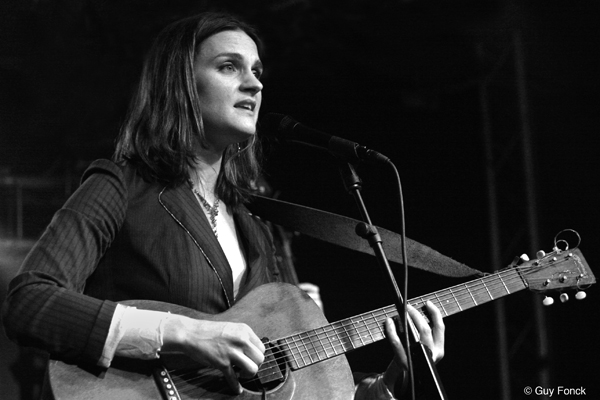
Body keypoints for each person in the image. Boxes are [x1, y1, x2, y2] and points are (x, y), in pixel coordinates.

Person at [1, 11, 444, 399]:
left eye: (256, 71)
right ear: (181, 85)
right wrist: (188, 335)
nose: (254, 83)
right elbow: (30, 301)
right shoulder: (120, 185)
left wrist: (388, 384)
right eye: (229, 67)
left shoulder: (255, 225)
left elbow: (292, 383)